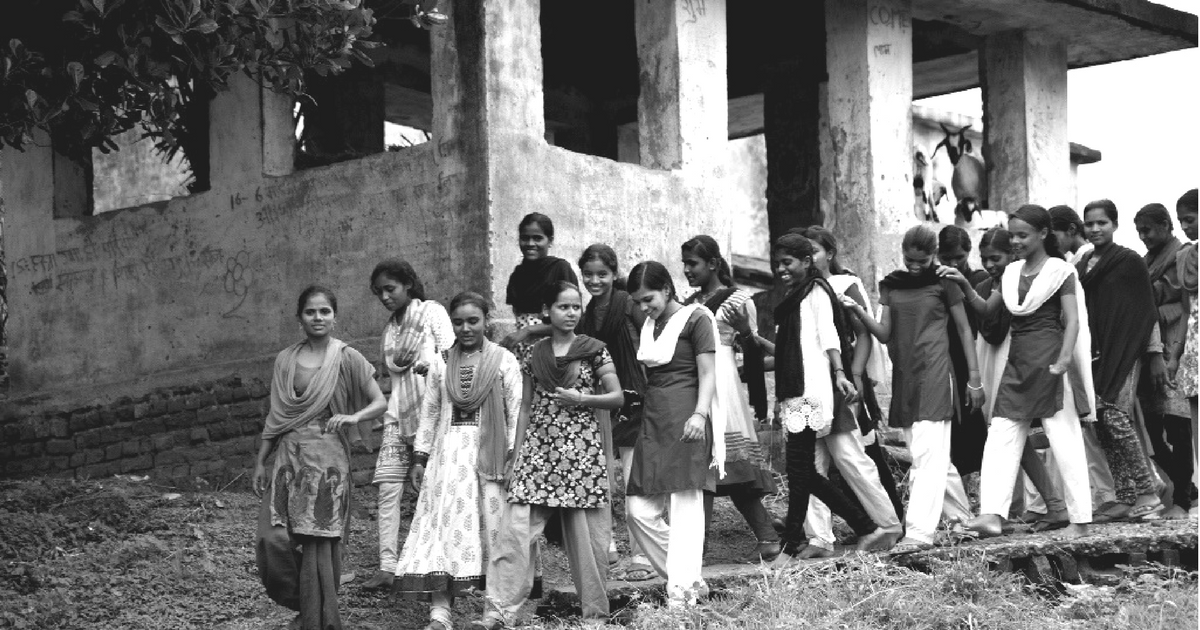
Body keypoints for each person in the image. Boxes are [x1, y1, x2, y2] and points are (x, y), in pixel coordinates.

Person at [474, 282, 624, 628]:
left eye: (575, 307)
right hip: (538, 454)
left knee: (589, 543)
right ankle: (497, 611)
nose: (571, 313)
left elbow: (617, 397)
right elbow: (526, 407)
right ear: (547, 310)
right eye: (563, 307)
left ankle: (595, 616)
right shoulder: (534, 353)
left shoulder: (594, 351)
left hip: (581, 456)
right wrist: (517, 454)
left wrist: (582, 399)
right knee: (513, 534)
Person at [943, 205, 1095, 539]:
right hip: (1019, 362)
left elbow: (1072, 320)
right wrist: (964, 287)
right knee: (1000, 435)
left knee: (1064, 438)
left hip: (1052, 362)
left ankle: (1080, 520)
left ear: (1043, 234)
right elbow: (986, 309)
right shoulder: (1011, 273)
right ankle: (992, 515)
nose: (1015, 241)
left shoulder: (1061, 271)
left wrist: (1066, 358)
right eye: (1012, 234)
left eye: (1022, 235)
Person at [843, 224, 984, 553]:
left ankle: (919, 533)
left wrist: (974, 378)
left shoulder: (946, 282)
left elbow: (964, 331)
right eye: (910, 259)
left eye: (922, 260)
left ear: (934, 254)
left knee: (926, 457)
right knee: (933, 456)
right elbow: (883, 333)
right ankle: (962, 521)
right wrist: (858, 311)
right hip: (906, 376)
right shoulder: (891, 285)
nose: (915, 265)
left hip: (937, 372)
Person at [253, 286, 387, 630]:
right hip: (289, 459)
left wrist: (355, 418)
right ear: (300, 318)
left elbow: (380, 402)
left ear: (334, 316)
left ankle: (318, 619)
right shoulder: (285, 360)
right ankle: (302, 604)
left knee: (318, 544)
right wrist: (260, 461)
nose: (318, 318)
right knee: (274, 537)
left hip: (328, 461)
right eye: (311, 312)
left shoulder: (346, 357)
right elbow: (276, 415)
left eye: (325, 311)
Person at [392, 292, 523, 630]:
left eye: (473, 321)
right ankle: (440, 614)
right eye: (458, 322)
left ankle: (495, 612)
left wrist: (512, 459)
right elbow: (431, 413)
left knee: (494, 531)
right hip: (447, 460)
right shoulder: (440, 362)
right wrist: (419, 458)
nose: (465, 328)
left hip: (491, 460)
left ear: (486, 322)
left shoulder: (504, 361)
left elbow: (516, 411)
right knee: (441, 530)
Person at [768, 234, 894, 561]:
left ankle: (864, 527)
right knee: (802, 472)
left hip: (812, 389)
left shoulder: (817, 291)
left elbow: (829, 335)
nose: (782, 269)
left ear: (806, 262)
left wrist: (841, 373)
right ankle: (845, 531)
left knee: (805, 471)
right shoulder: (792, 295)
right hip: (795, 392)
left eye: (788, 262)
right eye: (778, 263)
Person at [679, 235, 782, 562]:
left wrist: (758, 403)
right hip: (696, 384)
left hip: (723, 387)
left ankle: (697, 547)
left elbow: (750, 353)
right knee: (715, 468)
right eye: (684, 264)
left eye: (692, 263)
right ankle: (766, 538)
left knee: (714, 465)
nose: (686, 270)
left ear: (712, 263)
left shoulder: (739, 300)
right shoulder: (689, 302)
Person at [624, 261, 721, 606]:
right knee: (637, 509)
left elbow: (709, 373)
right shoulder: (651, 324)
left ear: (667, 289)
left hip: (687, 419)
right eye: (637, 301)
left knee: (685, 511)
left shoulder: (697, 318)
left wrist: (700, 415)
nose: (642, 307)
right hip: (654, 419)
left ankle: (681, 602)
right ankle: (689, 578)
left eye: (647, 298)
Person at [364, 259, 454, 589]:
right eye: (379, 292)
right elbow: (393, 381)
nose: (385, 297)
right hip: (398, 417)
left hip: (433, 414)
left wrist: (429, 364)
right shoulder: (389, 331)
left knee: (431, 490)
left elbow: (452, 356)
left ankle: (437, 562)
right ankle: (387, 566)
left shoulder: (432, 313)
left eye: (391, 289)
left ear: (408, 285)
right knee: (388, 490)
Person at [1077, 199, 1164, 521]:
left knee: (1115, 417)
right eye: (1090, 224)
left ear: (1114, 225)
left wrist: (1155, 354)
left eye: (1102, 223)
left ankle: (1148, 493)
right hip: (1094, 353)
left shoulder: (1128, 262)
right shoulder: (1083, 263)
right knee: (1099, 423)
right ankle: (1125, 496)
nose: (1096, 229)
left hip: (1126, 350)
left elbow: (1146, 310)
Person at [575, 244, 654, 581]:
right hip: (603, 400)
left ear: (613, 273)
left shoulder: (627, 304)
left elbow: (652, 338)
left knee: (637, 479)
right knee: (602, 478)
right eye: (588, 274)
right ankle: (605, 548)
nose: (595, 280)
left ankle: (643, 557)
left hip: (635, 398)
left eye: (602, 274)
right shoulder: (588, 312)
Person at [1051, 204, 1119, 515]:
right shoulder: (1074, 261)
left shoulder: (1082, 262)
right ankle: (1101, 495)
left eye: (1053, 235)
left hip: (1083, 348)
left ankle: (1108, 495)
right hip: (1081, 346)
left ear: (1070, 231)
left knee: (1089, 420)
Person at [1134, 203, 1193, 519]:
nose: (1144, 237)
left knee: (1178, 425)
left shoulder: (1181, 255)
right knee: (1153, 429)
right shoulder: (1147, 260)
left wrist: (1145, 306)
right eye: (1139, 232)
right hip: (1152, 348)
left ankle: (1182, 501)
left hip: (1176, 348)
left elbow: (1177, 302)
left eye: (1148, 230)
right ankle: (1188, 489)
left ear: (1166, 225)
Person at [938, 226, 990, 478]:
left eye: (958, 257)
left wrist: (963, 283)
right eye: (946, 258)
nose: (952, 263)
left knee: (976, 417)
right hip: (946, 356)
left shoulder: (979, 279)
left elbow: (982, 317)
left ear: (968, 252)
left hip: (976, 352)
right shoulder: (935, 280)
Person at [503, 212, 580, 350]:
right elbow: (519, 318)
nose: (530, 244)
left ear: (550, 241)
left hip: (555, 348)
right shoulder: (517, 275)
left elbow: (572, 321)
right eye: (525, 238)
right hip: (523, 350)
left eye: (538, 238)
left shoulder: (560, 269)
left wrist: (529, 330)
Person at [1172, 189, 1198, 517]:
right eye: (1181, 222)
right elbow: (1185, 309)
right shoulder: (1186, 257)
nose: (1185, 227)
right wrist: (1175, 356)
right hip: (1194, 344)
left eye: (1190, 219)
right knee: (1196, 424)